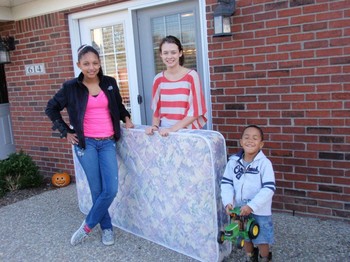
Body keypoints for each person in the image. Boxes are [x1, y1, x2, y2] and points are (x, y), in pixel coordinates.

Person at [45, 44, 134, 246]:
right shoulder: (70, 88)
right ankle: (107, 228)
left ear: (100, 63)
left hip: (107, 142)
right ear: (79, 65)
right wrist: (66, 131)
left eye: (95, 63)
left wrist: (126, 119)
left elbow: (118, 106)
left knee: (110, 189)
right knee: (97, 189)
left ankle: (87, 226)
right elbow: (51, 108)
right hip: (86, 145)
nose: (91, 67)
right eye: (86, 64)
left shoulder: (110, 83)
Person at [220, 125, 275, 262]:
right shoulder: (233, 162)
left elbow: (269, 188)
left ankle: (264, 257)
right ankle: (250, 257)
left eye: (255, 138)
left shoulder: (264, 164)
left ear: (261, 144)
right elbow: (227, 183)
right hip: (240, 208)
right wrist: (228, 202)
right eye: (247, 137)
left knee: (262, 238)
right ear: (241, 141)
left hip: (260, 209)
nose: (250, 140)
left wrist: (252, 205)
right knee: (245, 235)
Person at [145, 35, 207, 136]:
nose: (169, 56)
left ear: (180, 53)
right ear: (161, 54)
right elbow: (156, 110)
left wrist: (172, 129)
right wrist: (155, 127)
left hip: (188, 131)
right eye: (165, 53)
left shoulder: (191, 76)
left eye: (173, 52)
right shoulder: (158, 79)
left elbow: (196, 111)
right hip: (165, 132)